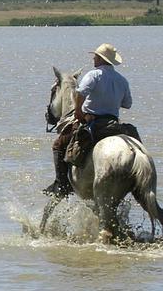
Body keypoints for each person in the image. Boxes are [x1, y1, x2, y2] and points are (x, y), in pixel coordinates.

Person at [42, 43, 133, 197]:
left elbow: (80, 94)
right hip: (113, 123)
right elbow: (127, 104)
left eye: (96, 56)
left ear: (101, 59)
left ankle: (61, 185)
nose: (93, 58)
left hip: (93, 121)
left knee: (58, 145)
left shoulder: (93, 75)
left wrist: (78, 113)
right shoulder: (122, 80)